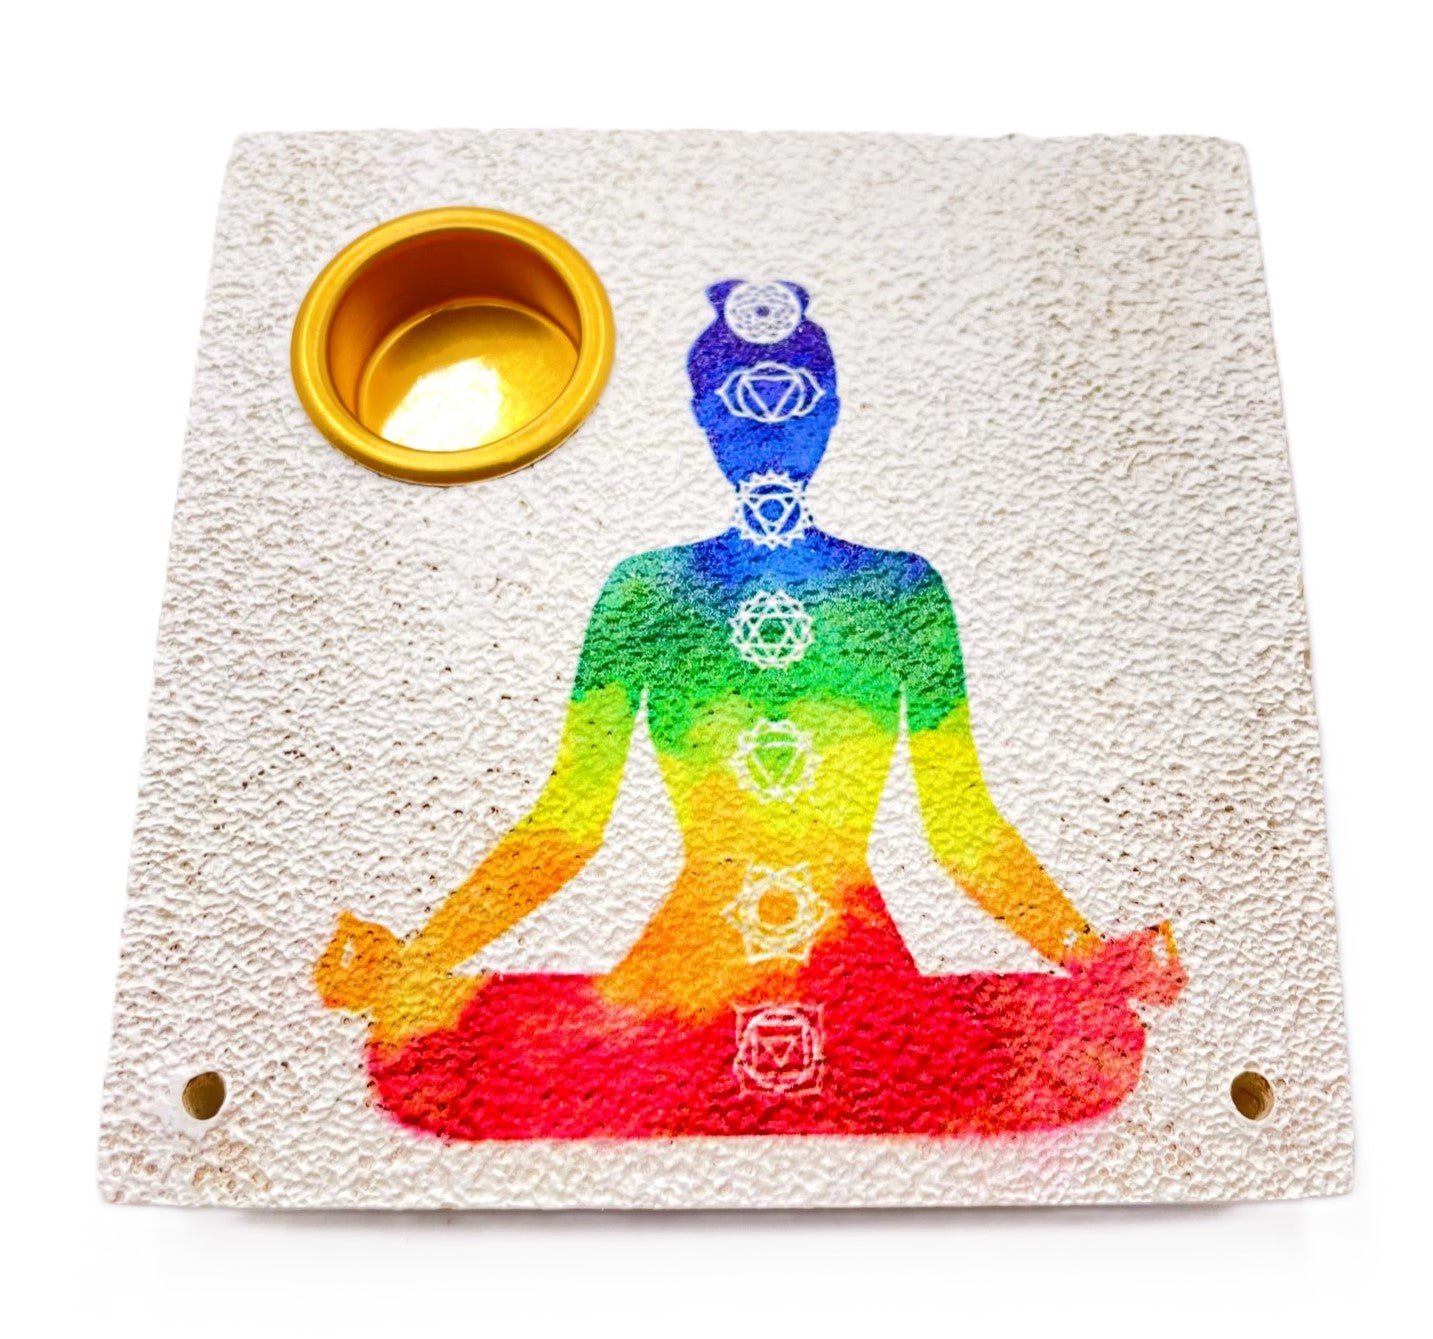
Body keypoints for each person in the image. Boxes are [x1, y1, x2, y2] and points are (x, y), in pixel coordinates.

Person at [317, 280, 1185, 1140]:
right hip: (683, 975)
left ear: (830, 411)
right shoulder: (646, 592)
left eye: (792, 397)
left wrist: (1088, 956)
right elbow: (567, 825)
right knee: (439, 1050)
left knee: (1077, 1041)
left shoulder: (900, 592)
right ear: (704, 416)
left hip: (857, 970)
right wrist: (421, 961)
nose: (770, 424)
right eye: (742, 399)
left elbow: (962, 827)